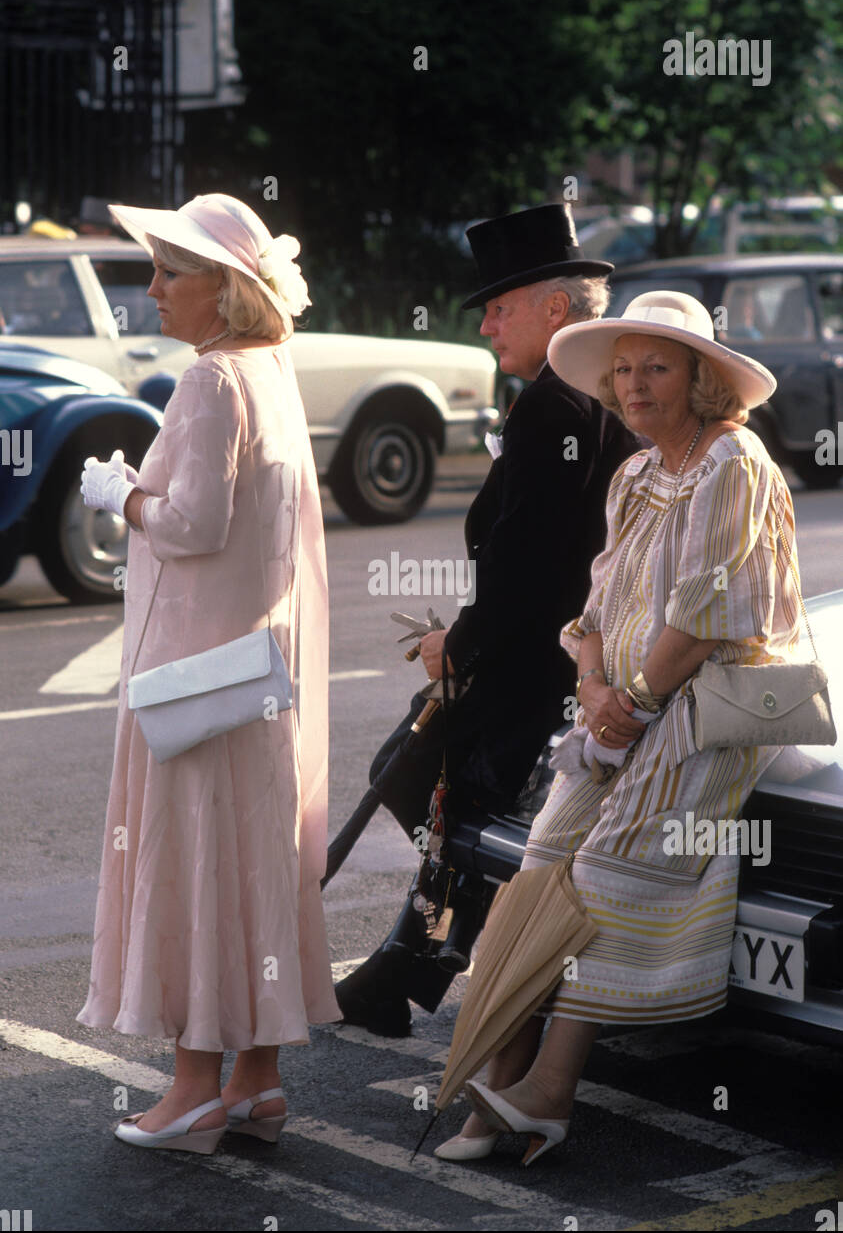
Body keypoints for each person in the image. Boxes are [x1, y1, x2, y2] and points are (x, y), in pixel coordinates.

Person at [435, 289, 802, 1163]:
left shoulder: (732, 460)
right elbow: (594, 607)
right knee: (540, 863)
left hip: (713, 701)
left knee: (603, 872)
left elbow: (705, 614)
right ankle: (496, 1081)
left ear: (701, 378)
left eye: (657, 367)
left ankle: (548, 1093)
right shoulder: (635, 473)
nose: (634, 386)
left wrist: (626, 709)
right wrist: (595, 685)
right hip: (620, 702)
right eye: (624, 369)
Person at [336, 203, 640, 1036]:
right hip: (572, 659)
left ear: (555, 308)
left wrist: (454, 645)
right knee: (440, 795)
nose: (484, 324)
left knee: (425, 784)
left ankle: (478, 965)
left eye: (499, 306)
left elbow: (529, 570)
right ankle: (410, 969)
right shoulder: (605, 389)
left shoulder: (553, 404)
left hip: (539, 670)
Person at [76, 193, 339, 1153]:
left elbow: (192, 525)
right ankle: (256, 1081)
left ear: (226, 291)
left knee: (194, 867)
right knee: (251, 863)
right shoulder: (270, 369)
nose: (152, 291)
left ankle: (190, 1090)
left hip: (195, 678)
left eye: (169, 273)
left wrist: (122, 493)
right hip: (252, 673)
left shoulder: (212, 382)